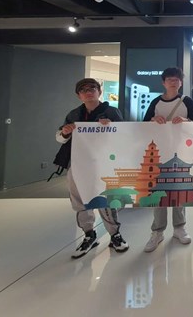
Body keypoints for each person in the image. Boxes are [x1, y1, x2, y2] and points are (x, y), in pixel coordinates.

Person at [56, 78, 128, 258]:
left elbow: (124, 135)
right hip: (77, 164)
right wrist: (65, 132)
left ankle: (115, 234)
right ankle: (89, 234)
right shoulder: (74, 114)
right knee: (80, 200)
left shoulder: (111, 111)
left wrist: (111, 126)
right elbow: (60, 137)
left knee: (105, 198)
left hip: (103, 163)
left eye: (92, 88)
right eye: (84, 90)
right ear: (78, 95)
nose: (88, 92)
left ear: (99, 91)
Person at [142, 67, 193, 253]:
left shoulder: (186, 101)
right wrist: (153, 119)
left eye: (176, 79)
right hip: (159, 152)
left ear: (181, 82)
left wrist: (185, 120)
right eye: (169, 79)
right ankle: (157, 231)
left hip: (181, 151)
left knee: (178, 190)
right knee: (159, 192)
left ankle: (179, 228)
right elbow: (143, 124)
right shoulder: (156, 102)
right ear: (163, 82)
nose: (173, 82)